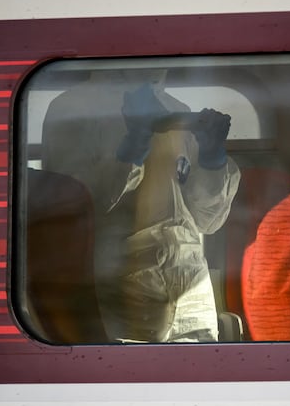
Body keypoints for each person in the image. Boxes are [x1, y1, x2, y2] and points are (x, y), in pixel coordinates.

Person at [41, 68, 240, 342]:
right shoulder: (73, 108)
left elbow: (208, 220)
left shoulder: (176, 108)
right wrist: (132, 148)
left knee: (202, 378)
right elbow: (71, 207)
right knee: (135, 378)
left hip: (191, 281)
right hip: (123, 278)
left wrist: (211, 160)